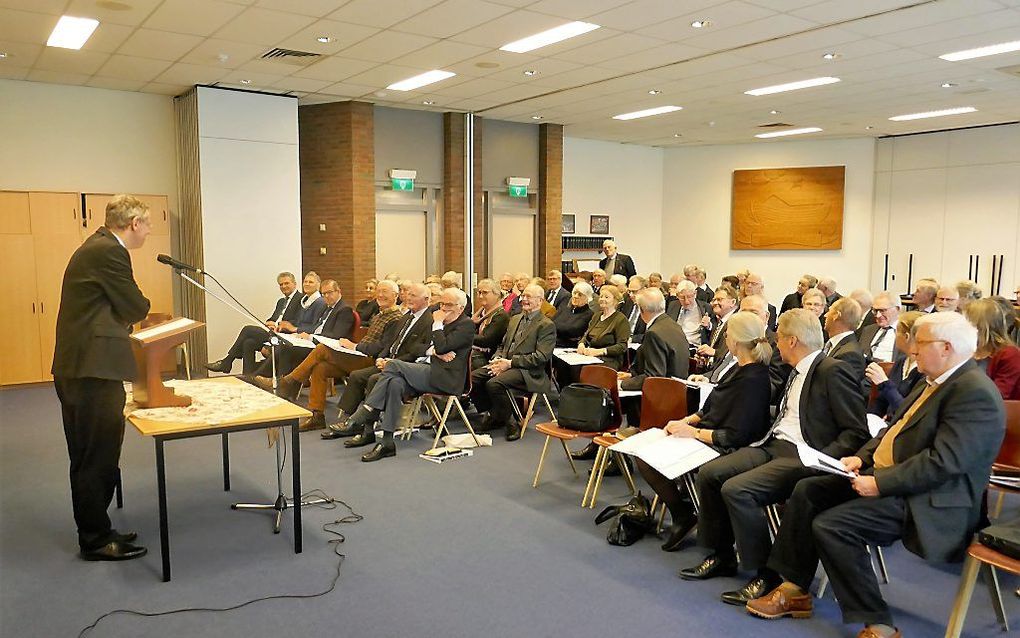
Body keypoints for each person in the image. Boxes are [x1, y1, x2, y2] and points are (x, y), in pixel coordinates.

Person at [746, 312, 1005, 638]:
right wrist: (860, 457)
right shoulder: (935, 380)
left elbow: (943, 463)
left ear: (947, 347)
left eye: (920, 344)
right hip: (896, 479)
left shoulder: (973, 392)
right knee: (808, 491)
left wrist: (880, 482)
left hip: (931, 499)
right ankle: (794, 588)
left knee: (833, 527)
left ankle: (879, 623)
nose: (912, 351)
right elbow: (891, 431)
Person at [679, 309, 868, 607]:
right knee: (710, 474)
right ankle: (722, 555)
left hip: (802, 453)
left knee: (737, 489)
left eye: (778, 336)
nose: (774, 342)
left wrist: (819, 457)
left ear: (792, 341)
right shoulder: (794, 371)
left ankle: (767, 572)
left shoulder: (832, 370)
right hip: (774, 445)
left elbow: (856, 431)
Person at [52, 194, 152, 561]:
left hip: (81, 367)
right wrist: (133, 310)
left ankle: (96, 528)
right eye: (148, 224)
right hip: (92, 369)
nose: (149, 232)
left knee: (88, 454)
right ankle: (95, 539)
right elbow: (134, 305)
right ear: (134, 224)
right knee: (98, 455)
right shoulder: (110, 250)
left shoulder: (96, 246)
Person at [640, 312, 773, 552]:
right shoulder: (738, 368)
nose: (726, 338)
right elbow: (709, 407)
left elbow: (735, 435)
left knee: (649, 459)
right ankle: (684, 511)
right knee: (645, 451)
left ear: (737, 341)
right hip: (708, 432)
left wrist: (692, 433)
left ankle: (683, 513)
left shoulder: (754, 379)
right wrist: (686, 420)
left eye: (729, 334)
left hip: (723, 443)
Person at [341, 288, 475, 462]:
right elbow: (416, 347)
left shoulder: (465, 325)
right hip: (424, 371)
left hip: (446, 378)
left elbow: (443, 346)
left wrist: (438, 327)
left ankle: (367, 410)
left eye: (449, 305)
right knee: (395, 383)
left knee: (393, 365)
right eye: (442, 303)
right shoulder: (436, 320)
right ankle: (387, 442)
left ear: (460, 308)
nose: (443, 308)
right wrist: (432, 351)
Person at [260, 280, 403, 434]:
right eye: (379, 291)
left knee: (322, 349)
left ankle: (288, 382)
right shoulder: (380, 314)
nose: (380, 295)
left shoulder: (396, 318)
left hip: (371, 359)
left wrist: (355, 346)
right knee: (320, 368)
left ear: (395, 296)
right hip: (359, 354)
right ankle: (317, 415)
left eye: (385, 292)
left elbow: (382, 348)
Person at [328, 283, 436, 438]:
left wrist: (390, 363)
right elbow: (391, 343)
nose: (408, 298)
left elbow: (415, 353)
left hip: (406, 367)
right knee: (357, 376)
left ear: (426, 299)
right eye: (408, 294)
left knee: (374, 379)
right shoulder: (407, 317)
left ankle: (367, 428)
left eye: (413, 295)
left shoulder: (428, 321)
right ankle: (349, 419)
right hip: (389, 361)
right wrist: (382, 357)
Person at [470, 284, 556, 441]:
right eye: (523, 296)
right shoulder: (515, 319)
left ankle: (512, 422)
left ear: (540, 300)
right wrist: (497, 358)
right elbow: (503, 345)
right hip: (505, 363)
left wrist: (510, 363)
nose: (524, 299)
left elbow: (541, 357)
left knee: (494, 384)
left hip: (529, 371)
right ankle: (494, 414)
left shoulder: (546, 325)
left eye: (529, 297)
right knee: (473, 378)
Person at [251, 279, 356, 379]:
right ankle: (266, 378)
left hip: (325, 348)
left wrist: (310, 337)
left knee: (287, 349)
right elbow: (316, 327)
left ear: (338, 291)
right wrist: (301, 334)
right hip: (314, 342)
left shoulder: (344, 310)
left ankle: (275, 381)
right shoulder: (328, 308)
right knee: (284, 345)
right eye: (324, 294)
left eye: (329, 293)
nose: (326, 297)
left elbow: (336, 336)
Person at [206, 272, 302, 374]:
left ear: (294, 284)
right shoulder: (281, 301)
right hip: (272, 333)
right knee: (249, 342)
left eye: (286, 283)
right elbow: (273, 318)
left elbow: (297, 322)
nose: (283, 286)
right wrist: (270, 323)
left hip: (284, 336)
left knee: (247, 329)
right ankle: (248, 377)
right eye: (281, 284)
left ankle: (227, 362)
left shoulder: (300, 299)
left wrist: (278, 326)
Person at [619, 288, 690, 392]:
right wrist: (632, 376)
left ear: (641, 309)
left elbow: (654, 376)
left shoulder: (654, 333)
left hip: (660, 395)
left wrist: (622, 384)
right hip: (677, 390)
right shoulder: (674, 325)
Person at [865, 311, 924, 420]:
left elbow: (907, 412)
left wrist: (884, 383)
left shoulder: (924, 370)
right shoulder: (901, 361)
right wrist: (871, 419)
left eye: (896, 331)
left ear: (906, 336)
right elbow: (881, 401)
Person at [965, 297, 1020, 400]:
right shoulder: (966, 348)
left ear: (980, 326)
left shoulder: (1010, 354)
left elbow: (998, 395)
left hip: (989, 410)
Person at [822, 297, 867, 381]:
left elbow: (842, 390)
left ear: (836, 315)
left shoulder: (850, 354)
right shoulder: (835, 346)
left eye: (829, 311)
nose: (825, 315)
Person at [470, 278, 510, 372]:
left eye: (485, 292)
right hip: (476, 352)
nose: (480, 296)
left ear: (496, 294)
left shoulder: (501, 315)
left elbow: (486, 340)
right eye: (479, 292)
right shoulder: (480, 313)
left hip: (489, 357)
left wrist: (464, 335)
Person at [697, 284, 738, 370]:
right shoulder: (718, 322)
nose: (715, 303)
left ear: (733, 302)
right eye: (714, 300)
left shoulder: (736, 323)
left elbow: (734, 354)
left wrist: (714, 352)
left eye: (719, 300)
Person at [859, 292, 901, 363]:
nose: (878, 315)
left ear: (897, 309)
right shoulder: (868, 330)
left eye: (882, 310)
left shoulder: (906, 332)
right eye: (875, 311)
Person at [668, 280, 711, 347]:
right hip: (675, 347)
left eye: (689, 297)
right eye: (682, 298)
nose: (686, 301)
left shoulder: (706, 308)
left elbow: (714, 329)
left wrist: (708, 325)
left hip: (695, 348)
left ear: (695, 294)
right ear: (677, 296)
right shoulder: (673, 305)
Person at [553, 282, 594, 349]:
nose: (575, 296)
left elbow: (573, 331)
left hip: (569, 347)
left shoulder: (589, 314)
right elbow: (552, 324)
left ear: (587, 298)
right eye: (574, 293)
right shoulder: (564, 308)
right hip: (554, 343)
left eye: (580, 295)